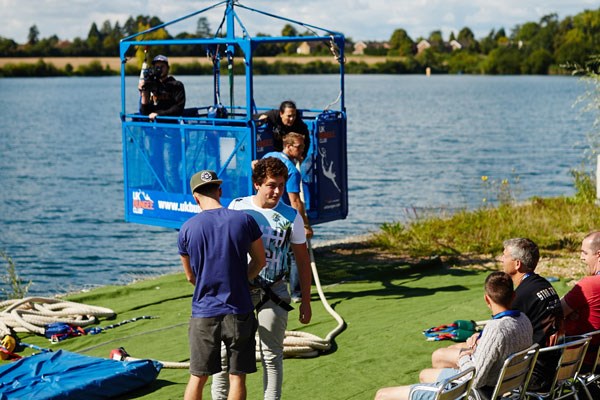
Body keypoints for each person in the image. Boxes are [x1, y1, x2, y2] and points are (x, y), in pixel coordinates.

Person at [212, 157, 312, 400]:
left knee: (271, 355)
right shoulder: (237, 207)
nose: (277, 191)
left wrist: (306, 301)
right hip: (239, 290)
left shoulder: (291, 217)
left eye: (281, 185)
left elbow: (302, 261)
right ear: (257, 184)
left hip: (274, 291)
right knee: (225, 354)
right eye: (270, 185)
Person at [374, 271, 533, 400]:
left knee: (382, 395)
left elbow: (476, 380)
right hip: (502, 384)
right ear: (513, 296)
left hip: (475, 391)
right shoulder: (524, 320)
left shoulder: (495, 329)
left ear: (487, 299)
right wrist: (480, 341)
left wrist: (464, 356)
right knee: (424, 375)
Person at [178, 170, 266, 400]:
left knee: (198, 376)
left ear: (195, 197)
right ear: (220, 191)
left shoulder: (187, 228)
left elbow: (190, 276)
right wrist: (242, 279)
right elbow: (260, 261)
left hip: (204, 311)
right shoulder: (244, 220)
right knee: (237, 376)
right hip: (239, 309)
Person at [431, 238, 563, 391]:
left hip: (527, 372)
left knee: (440, 356)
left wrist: (475, 344)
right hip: (550, 365)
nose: (501, 259)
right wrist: (480, 336)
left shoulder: (521, 295)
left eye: (505, 255)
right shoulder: (544, 285)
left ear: (517, 263)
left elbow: (499, 335)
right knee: (461, 345)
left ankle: (446, 391)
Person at [262, 132, 313, 301]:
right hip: (281, 216)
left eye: (303, 147)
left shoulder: (270, 156)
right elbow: (295, 201)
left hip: (264, 213)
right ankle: (297, 293)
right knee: (295, 252)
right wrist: (305, 225)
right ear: (288, 146)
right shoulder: (291, 171)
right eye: (299, 147)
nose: (302, 150)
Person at [138, 54, 186, 192]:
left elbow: (178, 108)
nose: (158, 69)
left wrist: (159, 115)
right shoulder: (151, 85)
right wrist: (144, 94)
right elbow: (144, 111)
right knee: (155, 167)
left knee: (170, 169)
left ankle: (176, 199)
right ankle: (157, 198)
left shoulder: (176, 85)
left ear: (167, 68)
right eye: (156, 66)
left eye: (161, 66)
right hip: (153, 133)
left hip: (170, 133)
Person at [561, 231, 600, 370]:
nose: (581, 257)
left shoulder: (590, 284)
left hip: (581, 355)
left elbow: (558, 311)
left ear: (598, 254)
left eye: (585, 253)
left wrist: (572, 312)